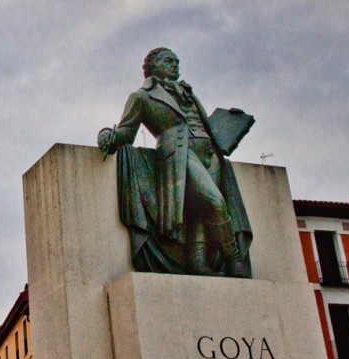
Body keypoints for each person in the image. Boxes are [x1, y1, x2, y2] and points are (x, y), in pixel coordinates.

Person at [98, 48, 251, 277]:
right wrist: (106, 135)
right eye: (168, 61)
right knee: (216, 201)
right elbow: (127, 132)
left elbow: (201, 123)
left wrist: (230, 122)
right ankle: (234, 259)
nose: (175, 65)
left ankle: (197, 260)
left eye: (177, 62)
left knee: (201, 209)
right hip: (179, 152)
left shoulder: (188, 92)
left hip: (210, 152)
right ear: (152, 65)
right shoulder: (141, 96)